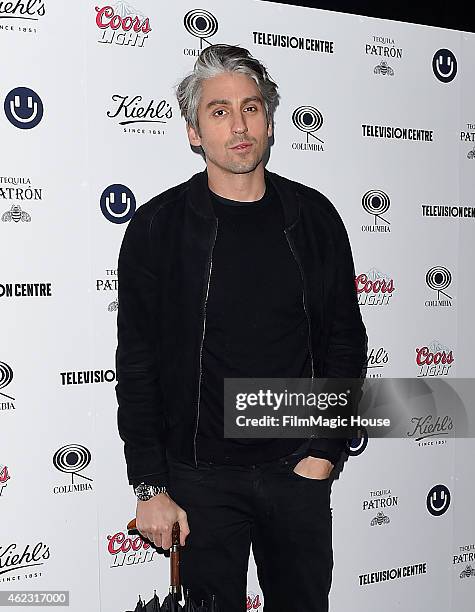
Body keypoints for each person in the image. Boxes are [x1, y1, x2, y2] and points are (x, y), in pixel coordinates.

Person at [116, 44, 367, 611]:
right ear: (193, 132)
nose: (238, 125)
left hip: (297, 473)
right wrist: (149, 485)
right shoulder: (158, 226)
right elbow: (137, 364)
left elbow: (345, 342)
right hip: (198, 481)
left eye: (250, 108)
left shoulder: (315, 218)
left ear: (270, 122)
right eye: (219, 111)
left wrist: (323, 452)